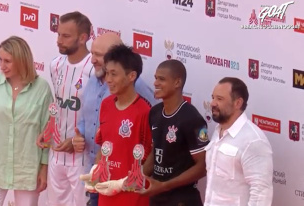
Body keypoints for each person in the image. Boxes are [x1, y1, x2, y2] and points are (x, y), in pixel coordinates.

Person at [0, 36, 53, 206]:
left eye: (8, 61)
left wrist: (44, 167)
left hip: (27, 169)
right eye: (0, 59)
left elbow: (47, 131)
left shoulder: (42, 88)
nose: (2, 66)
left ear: (22, 60)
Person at [72, 32, 157, 206]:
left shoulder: (145, 110)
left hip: (132, 196)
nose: (109, 80)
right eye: (107, 74)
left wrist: (126, 183)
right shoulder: (107, 104)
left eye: (114, 74)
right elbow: (104, 145)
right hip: (104, 192)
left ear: (131, 76)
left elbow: (154, 153)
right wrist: (96, 171)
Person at [36, 11, 94, 206]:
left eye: (66, 36)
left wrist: (80, 138)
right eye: (58, 34)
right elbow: (58, 103)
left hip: (82, 155)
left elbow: (99, 114)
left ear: (83, 38)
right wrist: (49, 128)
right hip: (56, 151)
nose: (59, 40)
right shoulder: (55, 65)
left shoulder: (94, 70)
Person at [140, 60, 209, 206]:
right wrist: (139, 176)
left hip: (182, 199)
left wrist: (165, 185)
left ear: (177, 82)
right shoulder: (155, 112)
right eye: (155, 78)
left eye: (162, 79)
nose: (155, 83)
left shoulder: (193, 118)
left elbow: (203, 166)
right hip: (156, 197)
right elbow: (156, 150)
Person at [204, 77, 273, 206]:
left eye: (219, 99)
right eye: (213, 97)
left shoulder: (253, 140)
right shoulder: (218, 131)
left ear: (238, 103)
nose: (212, 103)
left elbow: (261, 193)